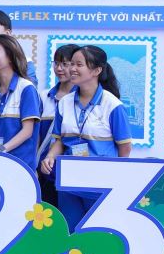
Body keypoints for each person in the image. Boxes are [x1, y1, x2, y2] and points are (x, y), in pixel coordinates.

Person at [40, 45, 132, 229]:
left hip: (101, 182)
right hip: (68, 181)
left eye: (79, 64)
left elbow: (125, 148)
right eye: (72, 64)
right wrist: (50, 156)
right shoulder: (65, 103)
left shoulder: (112, 105)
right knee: (70, 232)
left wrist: (118, 179)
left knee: (97, 234)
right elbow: (59, 140)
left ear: (97, 70)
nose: (72, 69)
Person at [0, 34, 41, 222]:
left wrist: (2, 150)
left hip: (18, 168)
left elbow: (27, 131)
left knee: (17, 223)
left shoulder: (26, 88)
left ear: (11, 55)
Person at [36, 43, 80, 206]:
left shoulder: (81, 99)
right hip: (44, 168)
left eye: (65, 64)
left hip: (71, 169)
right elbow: (35, 134)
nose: (59, 69)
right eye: (56, 63)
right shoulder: (44, 96)